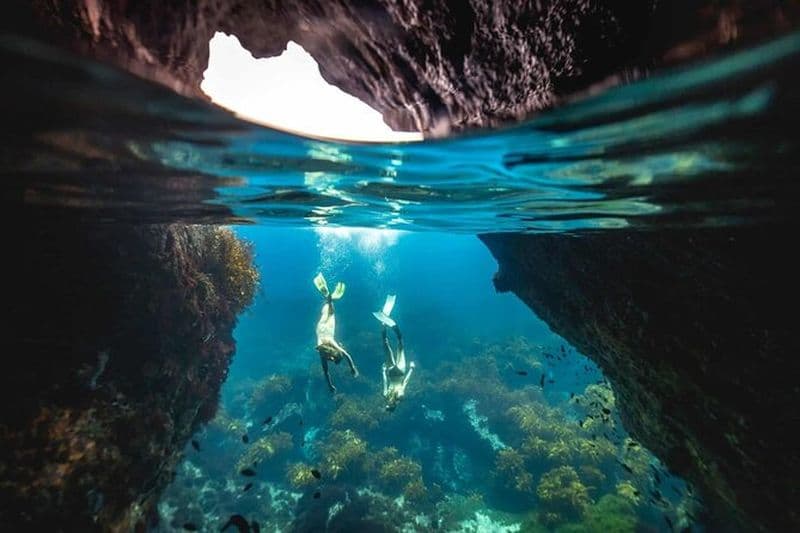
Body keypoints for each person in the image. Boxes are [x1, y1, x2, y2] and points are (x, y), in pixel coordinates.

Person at [314, 273, 358, 393]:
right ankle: (328, 300)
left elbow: (347, 356)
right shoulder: (323, 352)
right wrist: (330, 385)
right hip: (321, 329)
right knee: (328, 312)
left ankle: (329, 299)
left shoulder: (330, 348)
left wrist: (353, 367)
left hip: (327, 328)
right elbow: (326, 372)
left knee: (331, 312)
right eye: (334, 360)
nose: (332, 360)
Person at [373, 295, 415, 411]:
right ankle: (396, 330)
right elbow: (405, 382)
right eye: (390, 405)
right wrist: (411, 369)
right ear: (394, 405)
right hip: (400, 372)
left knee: (386, 346)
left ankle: (383, 326)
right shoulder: (400, 396)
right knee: (400, 346)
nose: (388, 403)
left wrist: (382, 371)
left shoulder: (386, 395)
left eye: (387, 405)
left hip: (391, 372)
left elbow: (384, 381)